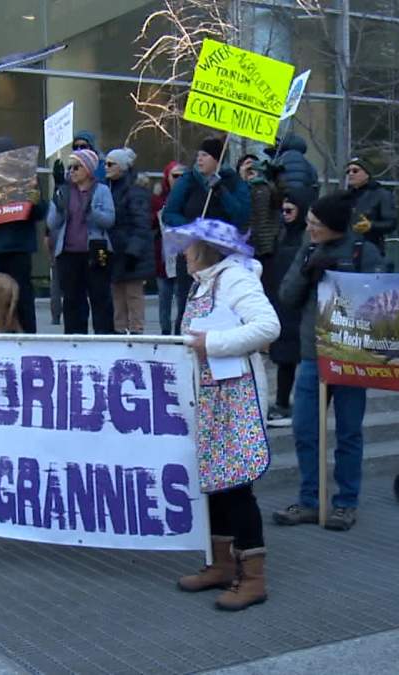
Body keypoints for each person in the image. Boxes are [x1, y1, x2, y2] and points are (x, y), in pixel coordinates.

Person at [164, 219, 279, 611]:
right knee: (214, 482)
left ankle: (253, 578)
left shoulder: (234, 279)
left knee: (236, 486)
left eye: (187, 245)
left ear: (206, 248)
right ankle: (221, 564)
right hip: (211, 399)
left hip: (236, 398)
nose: (182, 252)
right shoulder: (205, 282)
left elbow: (268, 327)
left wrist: (212, 343)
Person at [274, 191, 383, 532]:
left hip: (351, 356)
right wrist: (307, 272)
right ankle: (310, 501)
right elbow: (286, 297)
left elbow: (381, 305)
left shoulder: (363, 252)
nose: (310, 228)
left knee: (349, 433)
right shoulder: (308, 249)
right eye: (309, 222)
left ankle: (345, 503)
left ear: (334, 227)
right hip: (313, 355)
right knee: (305, 429)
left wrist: (348, 282)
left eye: (316, 224)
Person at [163, 136, 250, 334]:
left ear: (217, 159)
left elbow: (241, 215)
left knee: (220, 304)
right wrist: (193, 228)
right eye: (198, 155)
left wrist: (221, 191)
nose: (199, 159)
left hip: (222, 255)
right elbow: (170, 213)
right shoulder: (188, 180)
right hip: (192, 253)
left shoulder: (233, 181)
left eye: (205, 155)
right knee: (188, 302)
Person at [47, 147, 116, 334]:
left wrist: (92, 212)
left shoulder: (101, 190)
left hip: (95, 251)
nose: (72, 171)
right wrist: (59, 207)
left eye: (77, 167)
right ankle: (75, 340)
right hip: (69, 254)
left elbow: (110, 220)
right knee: (72, 300)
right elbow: (51, 223)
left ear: (88, 169)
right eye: (70, 168)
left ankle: (104, 338)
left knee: (100, 298)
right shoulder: (64, 191)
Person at [0, 137, 42, 334]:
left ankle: (27, 333)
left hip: (16, 247)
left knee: (20, 293)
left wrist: (35, 202)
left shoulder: (25, 180)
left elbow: (39, 214)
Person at [264, 192, 313, 428]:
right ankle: (283, 402)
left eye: (289, 210)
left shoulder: (308, 238)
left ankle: (293, 404)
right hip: (280, 300)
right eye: (282, 210)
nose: (284, 214)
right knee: (284, 357)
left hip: (298, 303)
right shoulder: (281, 234)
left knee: (295, 357)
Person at [104, 147, 155, 335]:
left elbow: (141, 224)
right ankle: (119, 333)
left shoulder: (135, 190)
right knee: (117, 297)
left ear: (123, 167)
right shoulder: (109, 187)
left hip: (131, 253)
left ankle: (136, 334)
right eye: (105, 163)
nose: (106, 167)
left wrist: (132, 251)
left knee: (133, 297)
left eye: (111, 164)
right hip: (115, 252)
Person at [152, 162, 185, 334]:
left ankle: (179, 333)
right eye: (175, 176)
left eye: (182, 176)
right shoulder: (157, 200)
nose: (178, 179)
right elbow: (149, 224)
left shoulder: (188, 197)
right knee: (164, 298)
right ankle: (165, 332)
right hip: (163, 257)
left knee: (182, 299)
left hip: (184, 256)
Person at [343, 156, 397, 255]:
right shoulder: (345, 196)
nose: (350, 174)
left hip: (371, 250)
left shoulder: (381, 194)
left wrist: (371, 226)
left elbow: (391, 223)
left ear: (367, 174)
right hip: (346, 249)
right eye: (348, 171)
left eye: (355, 171)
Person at [238, 153, 283, 258]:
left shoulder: (265, 188)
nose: (250, 169)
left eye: (253, 166)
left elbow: (277, 201)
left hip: (262, 248)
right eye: (247, 166)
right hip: (248, 245)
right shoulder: (240, 187)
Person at [267, 133, 320, 198]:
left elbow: (270, 180)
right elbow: (314, 185)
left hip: (282, 200)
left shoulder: (279, 160)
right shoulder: (308, 164)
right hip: (301, 201)